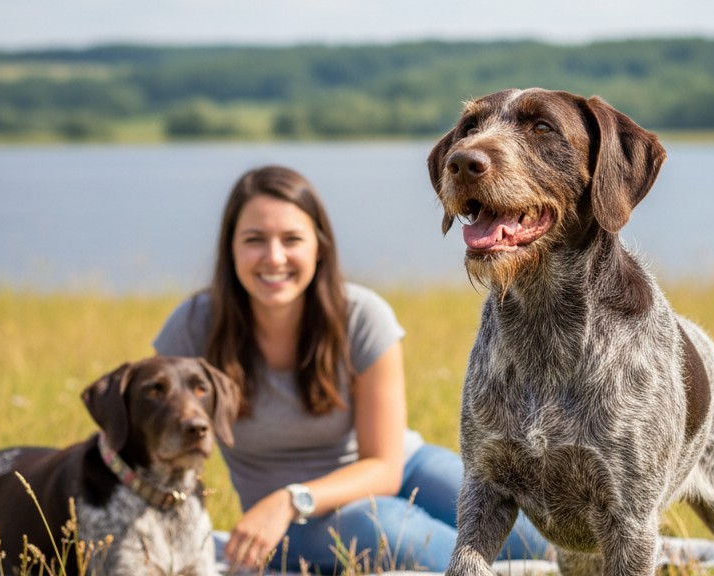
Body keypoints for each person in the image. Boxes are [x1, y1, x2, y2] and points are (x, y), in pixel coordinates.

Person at [153, 165, 549, 573]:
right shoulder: (194, 326)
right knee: (386, 528)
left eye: (292, 239)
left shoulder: (361, 315)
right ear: (230, 248)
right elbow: (147, 437)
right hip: (293, 520)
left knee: (528, 525)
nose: (274, 257)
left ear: (319, 247)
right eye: (254, 240)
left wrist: (291, 495)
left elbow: (384, 467)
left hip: (397, 469)